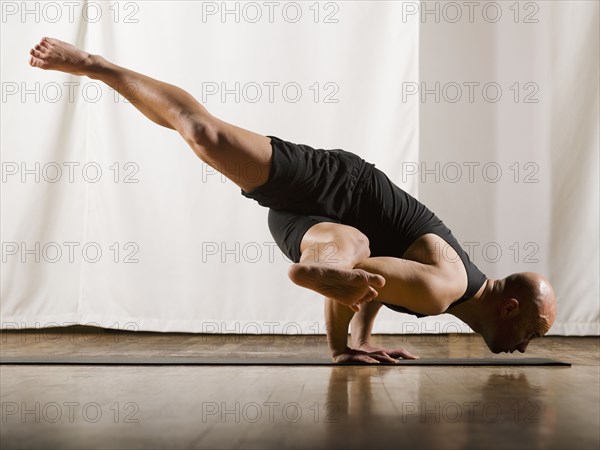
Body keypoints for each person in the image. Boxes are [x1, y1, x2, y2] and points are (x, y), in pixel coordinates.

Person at [29, 37, 557, 363]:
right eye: (532, 333)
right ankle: (94, 64)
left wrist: (349, 343)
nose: (525, 346)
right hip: (335, 186)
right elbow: (368, 279)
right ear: (509, 308)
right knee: (206, 135)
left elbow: (369, 283)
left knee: (348, 248)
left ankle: (317, 263)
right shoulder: (445, 288)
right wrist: (346, 321)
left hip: (323, 227)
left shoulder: (451, 286)